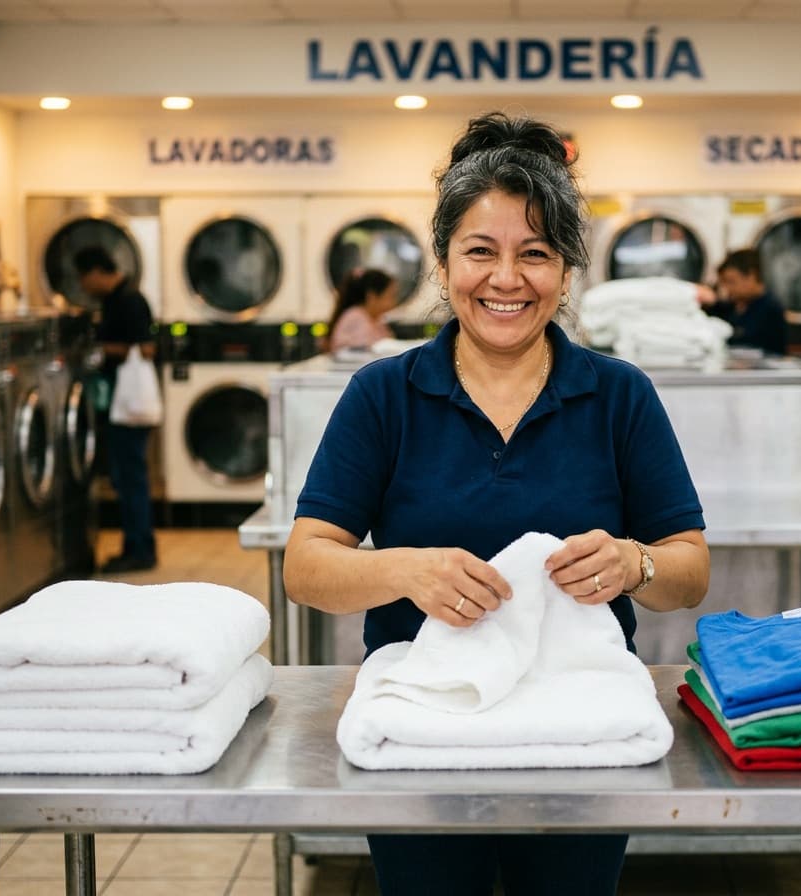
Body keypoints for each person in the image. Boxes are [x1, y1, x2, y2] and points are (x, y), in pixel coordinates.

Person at [283, 112, 710, 896]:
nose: (506, 280)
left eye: (535, 255)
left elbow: (688, 569)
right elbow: (306, 567)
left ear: (567, 272)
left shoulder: (619, 397)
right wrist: (405, 571)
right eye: (480, 252)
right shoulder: (385, 394)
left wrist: (631, 560)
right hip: (422, 723)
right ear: (443, 267)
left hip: (582, 725)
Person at [74, 245, 158, 574]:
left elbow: (145, 347)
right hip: (121, 405)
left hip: (130, 407)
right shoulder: (115, 300)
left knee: (131, 478)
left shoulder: (130, 299)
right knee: (127, 478)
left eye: (84, 277)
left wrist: (98, 349)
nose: (83, 285)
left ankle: (140, 549)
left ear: (97, 271)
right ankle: (135, 546)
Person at [695, 248, 788, 355]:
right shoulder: (730, 307)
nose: (727, 288)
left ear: (751, 276)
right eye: (723, 283)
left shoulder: (770, 310)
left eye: (731, 282)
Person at [326, 267, 398, 351]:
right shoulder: (356, 316)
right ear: (372, 297)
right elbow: (368, 348)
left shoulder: (376, 320)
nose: (395, 302)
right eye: (391, 296)